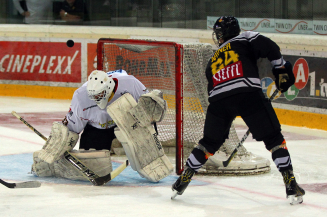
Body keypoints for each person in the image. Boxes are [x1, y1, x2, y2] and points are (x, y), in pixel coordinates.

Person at [172, 16, 305, 205]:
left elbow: (212, 89)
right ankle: (290, 183)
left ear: (221, 35)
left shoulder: (213, 59)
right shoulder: (246, 38)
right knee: (274, 139)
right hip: (248, 94)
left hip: (218, 102)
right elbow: (271, 47)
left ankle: (184, 179)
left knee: (208, 143)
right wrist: (280, 69)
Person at [31, 69, 173, 183]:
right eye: (94, 96)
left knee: (144, 139)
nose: (97, 99)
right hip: (98, 129)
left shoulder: (130, 84)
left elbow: (148, 110)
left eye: (100, 95)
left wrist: (149, 121)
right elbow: (70, 130)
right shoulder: (81, 97)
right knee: (92, 163)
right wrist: (56, 151)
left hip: (128, 124)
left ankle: (153, 160)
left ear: (109, 87)